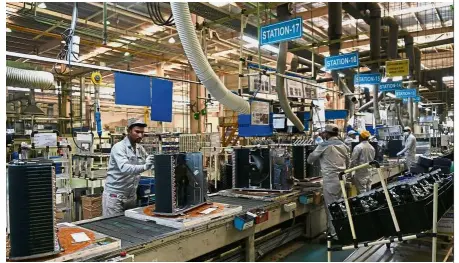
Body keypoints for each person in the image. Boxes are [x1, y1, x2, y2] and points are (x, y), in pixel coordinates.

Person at [103, 118, 154, 216]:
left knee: (129, 226)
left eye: (142, 132)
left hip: (131, 197)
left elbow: (148, 159)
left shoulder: (139, 148)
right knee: (114, 226)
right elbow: (125, 168)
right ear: (129, 131)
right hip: (115, 197)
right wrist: (145, 166)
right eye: (137, 132)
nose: (140, 135)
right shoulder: (119, 147)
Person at [307, 124, 350, 238]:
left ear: (326, 133)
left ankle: (335, 236)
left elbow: (310, 159)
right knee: (341, 205)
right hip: (342, 178)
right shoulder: (344, 145)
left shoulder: (324, 145)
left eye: (324, 132)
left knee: (332, 207)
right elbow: (348, 162)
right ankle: (344, 231)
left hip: (331, 180)